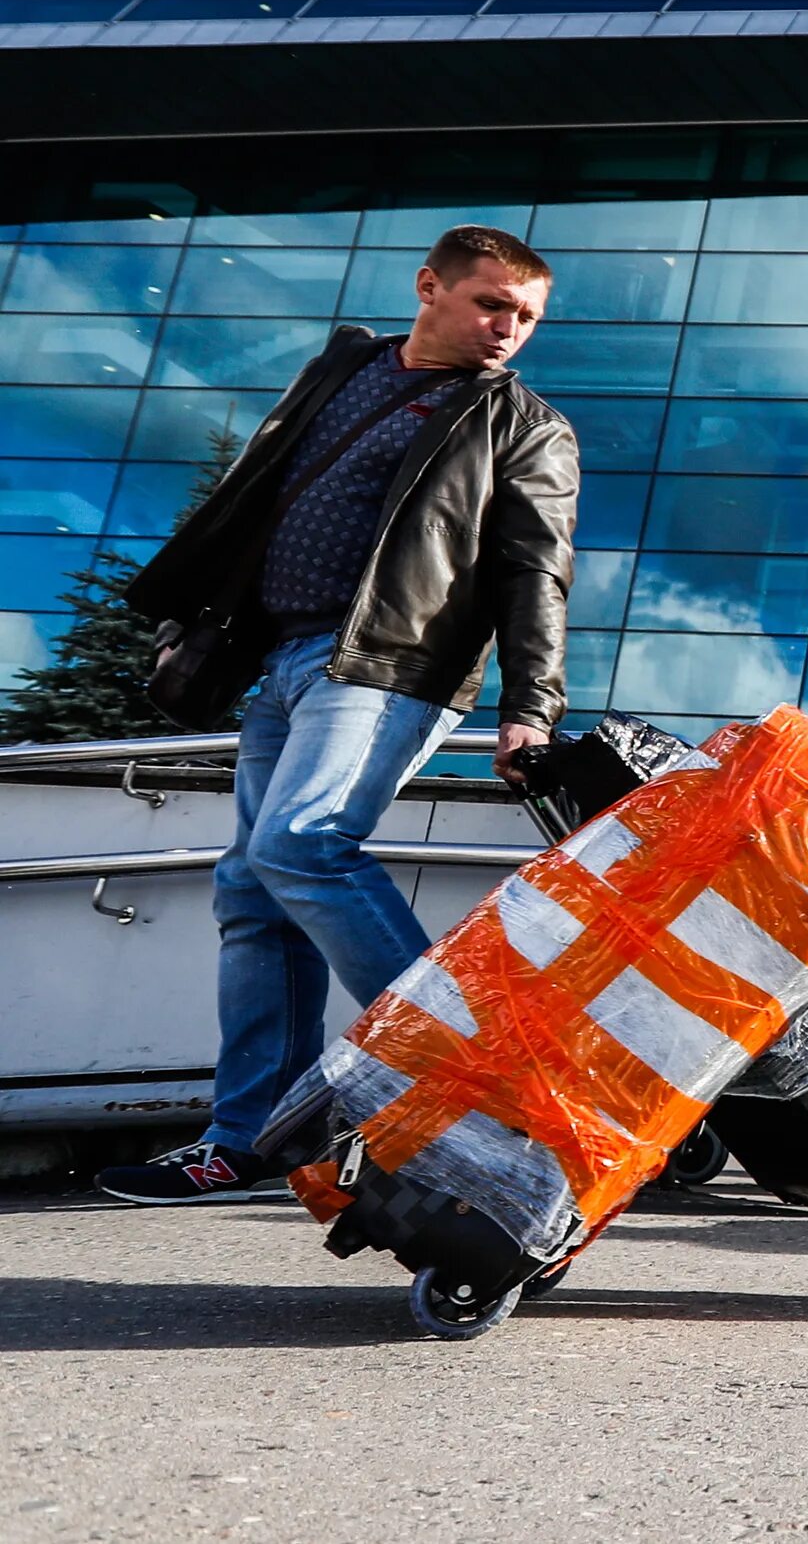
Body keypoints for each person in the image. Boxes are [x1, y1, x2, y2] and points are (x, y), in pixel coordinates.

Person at [98, 226, 575, 1206]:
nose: (507, 330)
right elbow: (254, 500)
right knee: (252, 892)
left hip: (388, 663)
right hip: (280, 657)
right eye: (492, 303)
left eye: (524, 316)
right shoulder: (346, 368)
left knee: (305, 845)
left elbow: (538, 574)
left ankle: (468, 1067)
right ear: (428, 285)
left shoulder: (522, 425)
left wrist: (533, 705)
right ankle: (251, 1140)